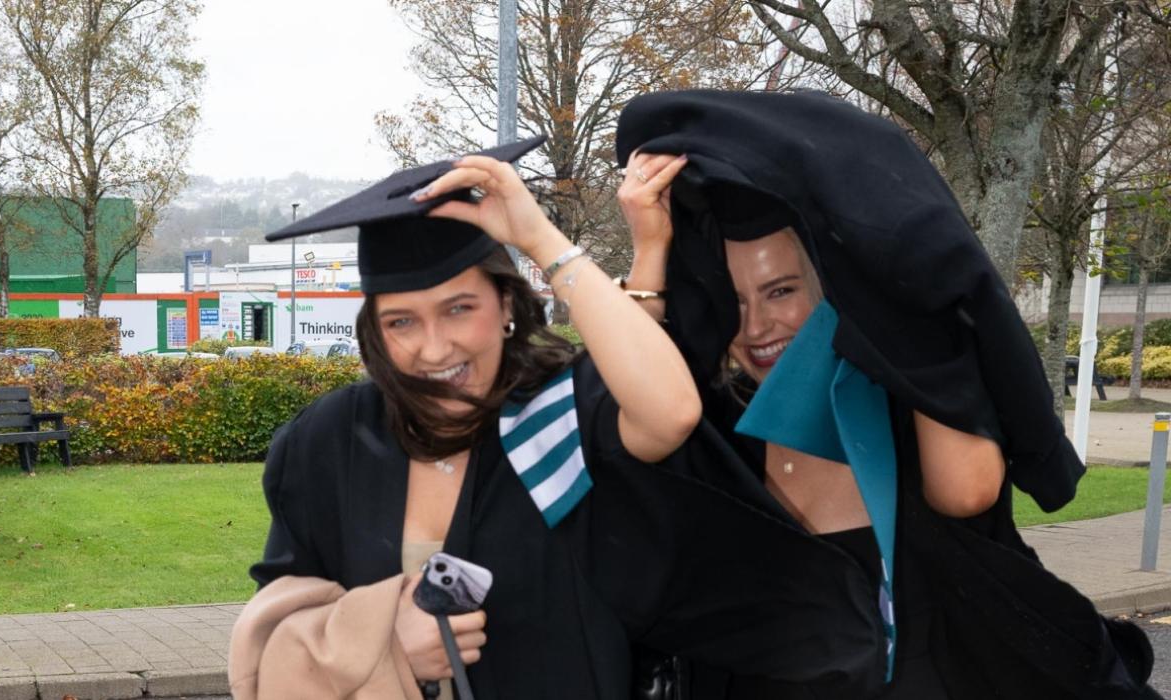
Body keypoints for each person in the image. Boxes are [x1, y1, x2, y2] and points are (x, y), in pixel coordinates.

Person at [229, 136, 887, 700]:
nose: (433, 348)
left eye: (460, 308)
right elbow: (282, 619)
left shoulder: (559, 413)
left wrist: (537, 236)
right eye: (401, 321)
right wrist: (386, 643)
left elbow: (673, 413)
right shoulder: (327, 443)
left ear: (507, 306)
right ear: (374, 328)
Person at [615, 89, 1160, 699]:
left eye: (781, 291)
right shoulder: (714, 429)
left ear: (831, 291)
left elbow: (966, 491)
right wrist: (650, 250)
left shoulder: (904, 404)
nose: (756, 327)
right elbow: (634, 438)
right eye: (735, 301)